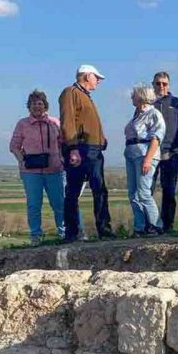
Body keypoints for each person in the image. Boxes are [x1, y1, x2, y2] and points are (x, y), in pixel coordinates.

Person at [59, 64, 113, 242]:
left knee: (100, 189)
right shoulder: (71, 92)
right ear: (87, 76)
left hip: (94, 149)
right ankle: (72, 232)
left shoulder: (86, 96)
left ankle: (104, 229)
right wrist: (73, 148)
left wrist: (101, 139)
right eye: (96, 77)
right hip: (80, 148)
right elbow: (68, 121)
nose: (98, 81)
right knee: (73, 191)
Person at [9, 90, 66, 244]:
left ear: (45, 105)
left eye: (40, 103)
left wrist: (62, 159)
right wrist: (22, 160)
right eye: (33, 104)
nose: (37, 107)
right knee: (34, 205)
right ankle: (36, 235)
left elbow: (63, 143)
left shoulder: (55, 123)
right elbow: (14, 146)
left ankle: (64, 233)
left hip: (54, 169)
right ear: (29, 106)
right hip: (31, 171)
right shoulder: (22, 124)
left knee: (59, 204)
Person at [123, 83, 166, 236]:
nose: (131, 97)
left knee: (143, 192)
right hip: (131, 154)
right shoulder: (137, 115)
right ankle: (139, 226)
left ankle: (155, 224)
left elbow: (157, 137)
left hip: (144, 154)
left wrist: (148, 159)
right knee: (133, 193)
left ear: (141, 96)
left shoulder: (153, 114)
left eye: (134, 95)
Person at [151, 71, 178, 233]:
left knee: (169, 190)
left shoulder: (176, 103)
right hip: (151, 154)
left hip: (171, 154)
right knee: (147, 191)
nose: (161, 86)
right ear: (153, 85)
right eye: (158, 83)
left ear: (169, 85)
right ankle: (149, 224)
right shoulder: (148, 103)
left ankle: (168, 225)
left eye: (164, 83)